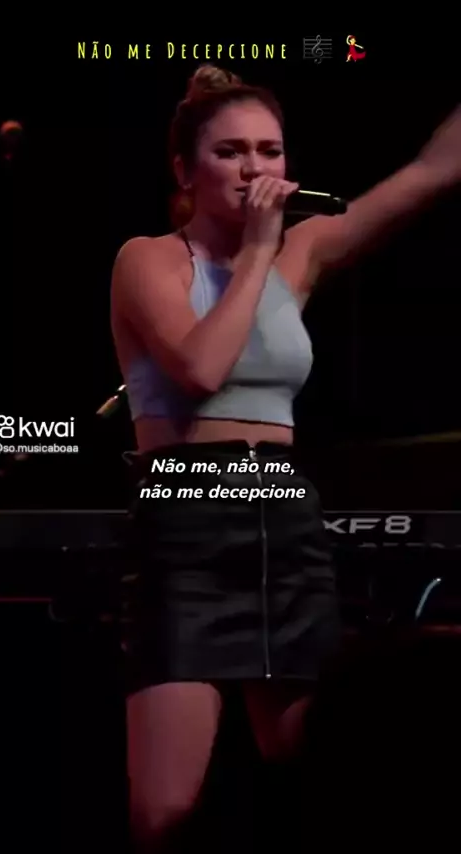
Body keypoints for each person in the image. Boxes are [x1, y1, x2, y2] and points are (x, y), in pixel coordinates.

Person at [110, 64, 460, 851]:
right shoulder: (149, 260)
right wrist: (260, 253)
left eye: (269, 151)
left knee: (319, 773)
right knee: (165, 810)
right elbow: (200, 369)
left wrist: (272, 251)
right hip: (188, 514)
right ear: (185, 171)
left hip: (282, 513)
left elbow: (430, 171)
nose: (255, 169)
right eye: (231, 152)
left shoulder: (299, 251)